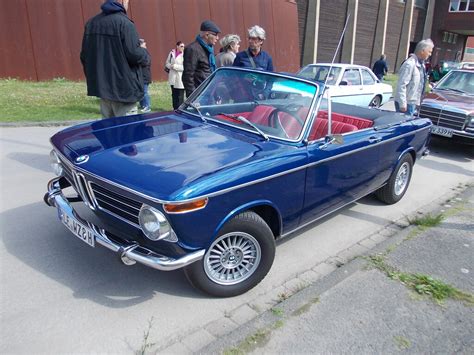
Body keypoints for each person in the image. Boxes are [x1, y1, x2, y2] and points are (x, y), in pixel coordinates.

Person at [80, 0, 149, 118]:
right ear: (122, 1)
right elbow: (135, 55)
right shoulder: (125, 24)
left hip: (103, 89)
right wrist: (144, 51)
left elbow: (84, 56)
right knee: (128, 132)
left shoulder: (92, 23)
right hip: (125, 91)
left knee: (108, 131)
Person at [394, 39, 434, 116]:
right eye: (429, 52)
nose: (430, 54)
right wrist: (402, 104)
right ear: (422, 51)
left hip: (413, 102)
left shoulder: (422, 65)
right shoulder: (409, 64)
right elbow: (401, 84)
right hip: (406, 104)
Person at [183, 20, 221, 97]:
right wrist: (193, 97)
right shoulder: (192, 49)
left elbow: (211, 73)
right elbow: (187, 76)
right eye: (215, 35)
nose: (217, 38)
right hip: (200, 96)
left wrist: (216, 95)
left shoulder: (209, 50)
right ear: (207, 35)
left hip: (210, 92)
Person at [165, 41, 185, 109]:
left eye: (183, 46)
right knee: (174, 94)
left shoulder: (184, 55)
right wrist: (170, 66)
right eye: (181, 46)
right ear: (177, 46)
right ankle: (174, 108)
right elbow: (167, 63)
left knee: (180, 95)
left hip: (180, 77)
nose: (183, 48)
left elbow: (185, 67)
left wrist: (175, 66)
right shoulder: (171, 53)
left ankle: (180, 109)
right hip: (172, 77)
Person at [139, 38, 152, 113]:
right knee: (141, 91)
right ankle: (143, 105)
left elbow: (146, 62)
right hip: (142, 75)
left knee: (144, 91)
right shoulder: (143, 51)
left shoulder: (144, 51)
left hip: (145, 75)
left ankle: (147, 106)